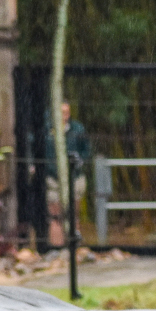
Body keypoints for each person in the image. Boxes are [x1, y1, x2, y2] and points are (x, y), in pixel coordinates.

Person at [45, 101, 94, 246]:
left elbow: (86, 150)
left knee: (73, 216)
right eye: (60, 112)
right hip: (53, 178)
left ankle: (73, 250)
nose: (64, 115)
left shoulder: (77, 129)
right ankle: (57, 250)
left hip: (75, 177)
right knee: (56, 217)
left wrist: (79, 162)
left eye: (66, 112)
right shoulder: (47, 129)